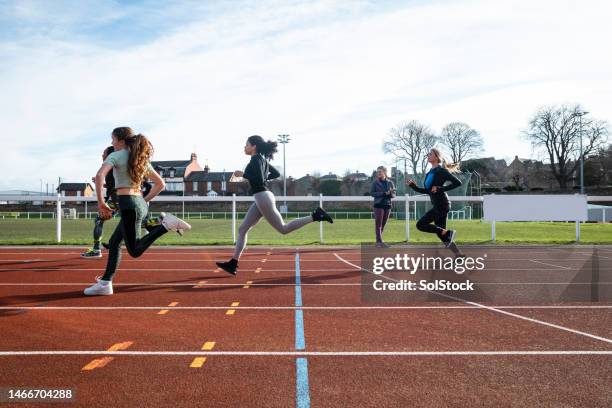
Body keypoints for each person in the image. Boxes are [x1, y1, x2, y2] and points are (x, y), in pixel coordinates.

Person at [84, 127, 191, 296]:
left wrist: (101, 203)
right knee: (114, 243)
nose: (112, 143)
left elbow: (99, 177)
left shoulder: (116, 155)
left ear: (120, 140)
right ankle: (105, 283)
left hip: (129, 204)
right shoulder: (140, 159)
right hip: (137, 202)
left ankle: (165, 225)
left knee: (134, 250)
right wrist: (143, 201)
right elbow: (161, 184)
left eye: (113, 139)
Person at [216, 135, 333, 275]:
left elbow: (258, 179)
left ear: (253, 146)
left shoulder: (255, 160)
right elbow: (276, 173)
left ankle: (316, 216)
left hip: (263, 197)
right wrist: (262, 177)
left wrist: (244, 174)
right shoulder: (261, 160)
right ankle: (233, 263)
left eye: (247, 144)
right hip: (262, 197)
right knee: (242, 229)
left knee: (284, 229)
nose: (244, 147)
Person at [81, 146, 162, 259]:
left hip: (119, 198)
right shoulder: (118, 166)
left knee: (102, 220)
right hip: (127, 198)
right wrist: (103, 184)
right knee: (131, 223)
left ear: (109, 155)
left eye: (103, 153)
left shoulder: (111, 165)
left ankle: (96, 249)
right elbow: (117, 183)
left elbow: (117, 183)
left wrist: (100, 182)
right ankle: (155, 221)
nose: (102, 155)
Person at [406, 148, 463, 254]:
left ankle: (448, 232)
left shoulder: (441, 171)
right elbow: (428, 191)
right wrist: (413, 186)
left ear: (436, 157)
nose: (428, 155)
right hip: (438, 205)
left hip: (442, 204)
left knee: (420, 225)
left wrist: (440, 188)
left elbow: (458, 183)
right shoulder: (429, 173)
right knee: (441, 234)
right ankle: (459, 255)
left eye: (430, 154)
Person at [370, 166, 395, 248]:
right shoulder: (375, 183)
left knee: (383, 224)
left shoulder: (390, 183)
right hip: (378, 205)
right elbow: (372, 193)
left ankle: (379, 241)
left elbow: (394, 195)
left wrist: (390, 193)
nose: (378, 173)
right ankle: (379, 242)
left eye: (380, 172)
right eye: (378, 172)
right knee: (378, 224)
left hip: (387, 205)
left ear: (385, 172)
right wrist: (384, 193)